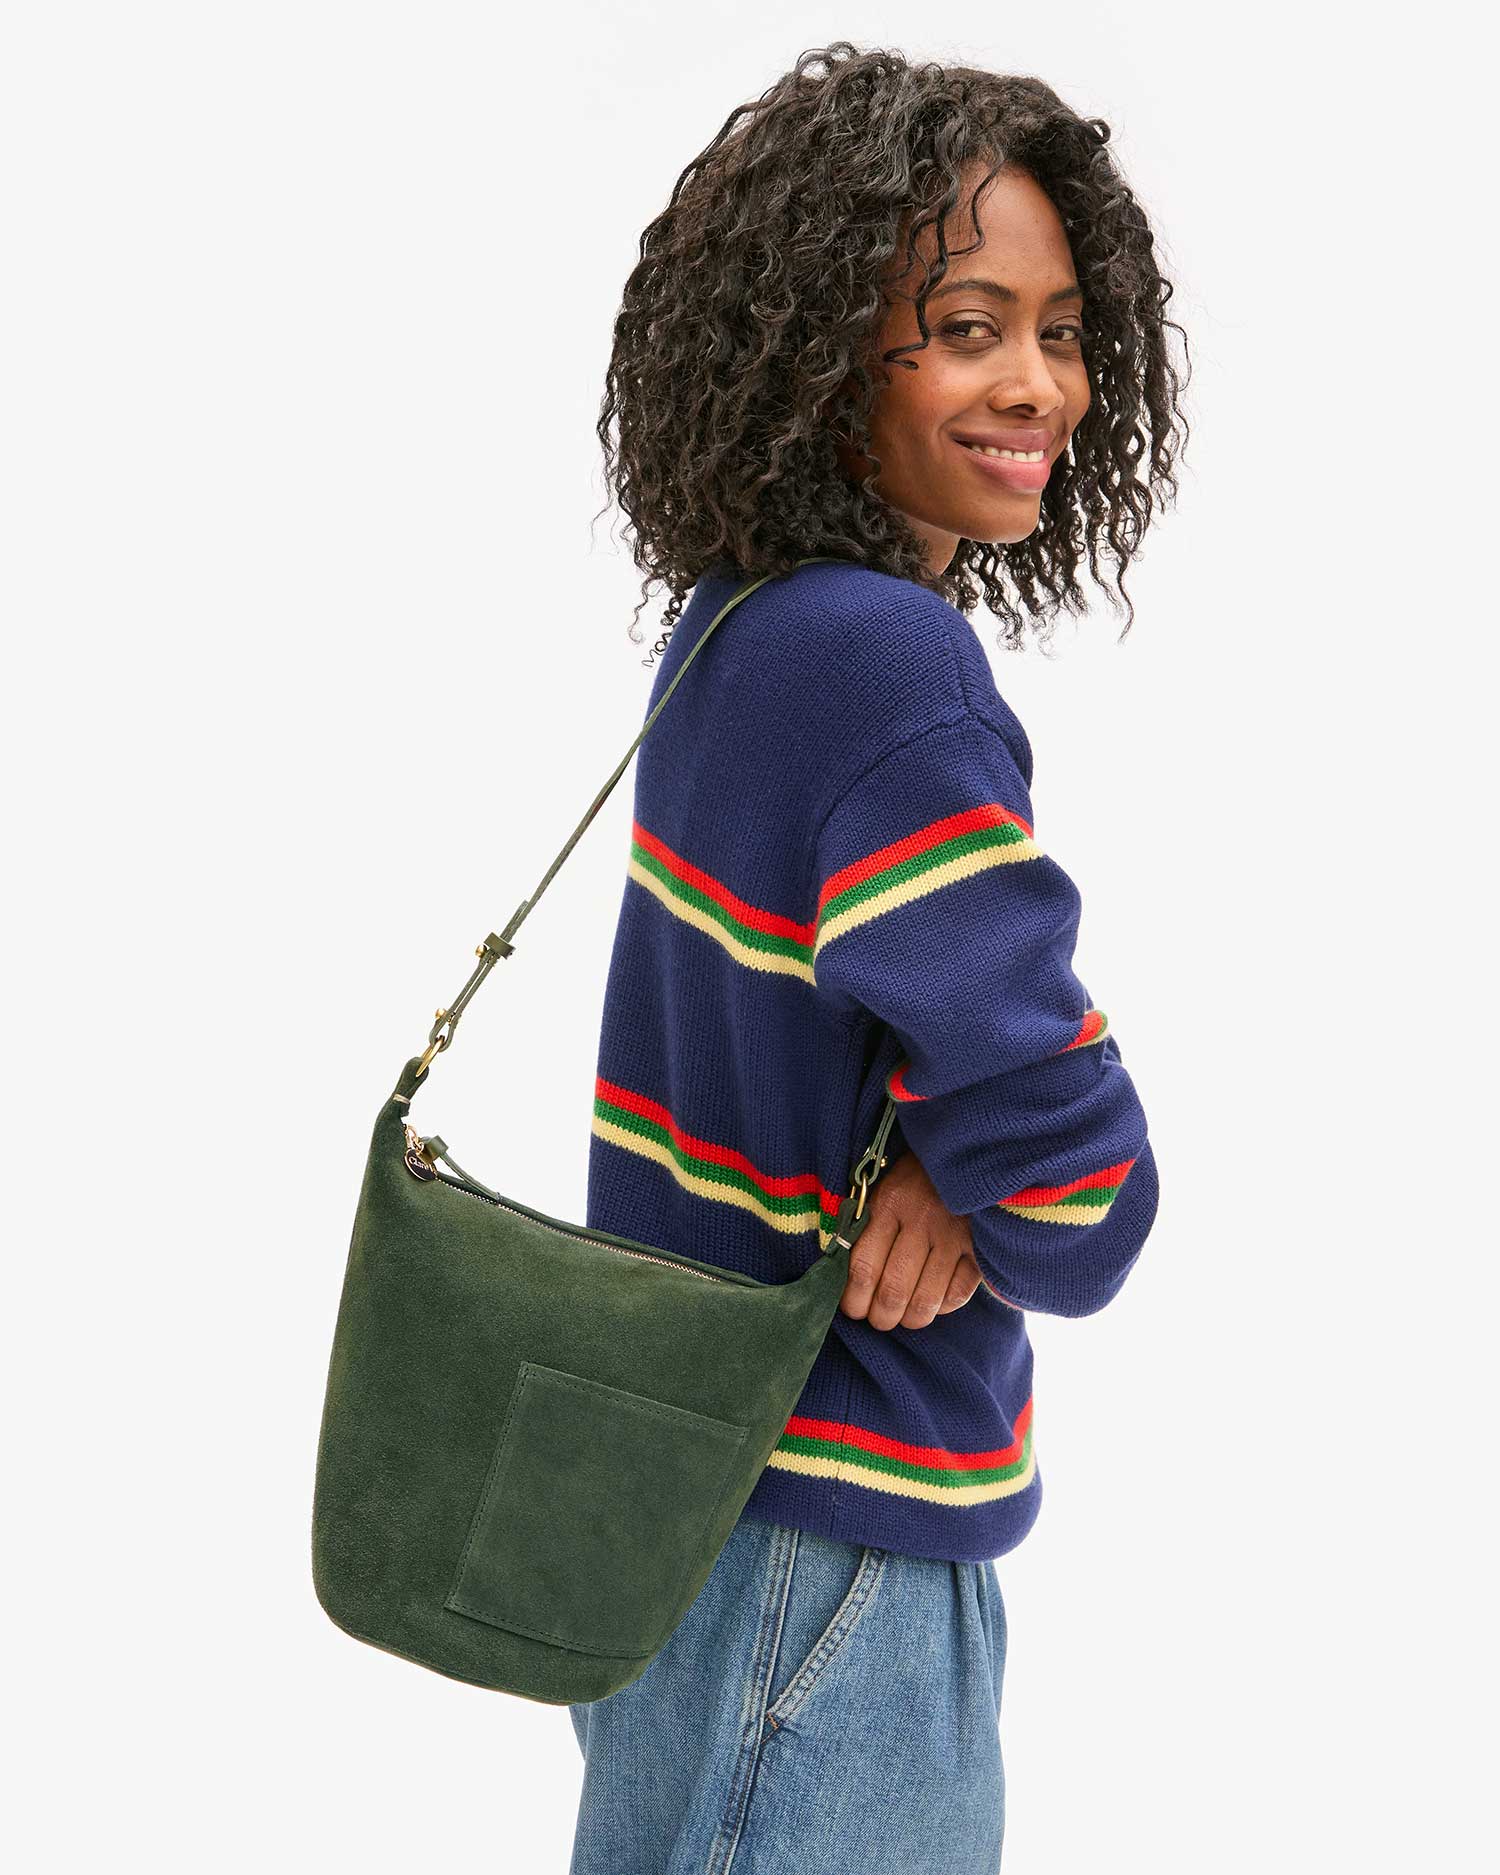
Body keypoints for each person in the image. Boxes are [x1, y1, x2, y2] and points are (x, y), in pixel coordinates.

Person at [568, 41, 1187, 1875]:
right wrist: (1005, 1170)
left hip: (690, 1526)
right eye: (968, 323)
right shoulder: (886, 672)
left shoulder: (746, 628)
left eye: (1064, 329)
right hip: (831, 1551)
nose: (1040, 385)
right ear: (828, 345)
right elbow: (1089, 1204)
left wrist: (943, 1157)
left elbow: (883, 1035)